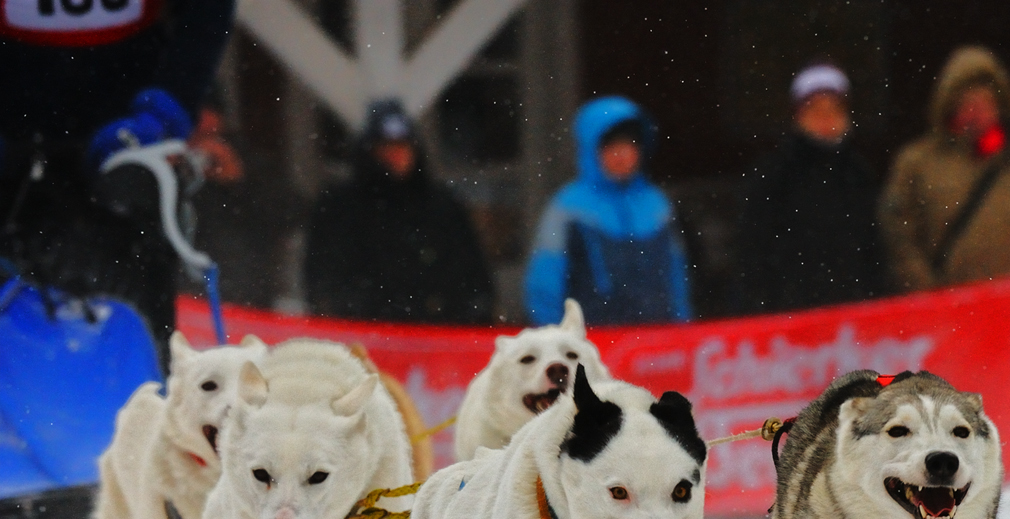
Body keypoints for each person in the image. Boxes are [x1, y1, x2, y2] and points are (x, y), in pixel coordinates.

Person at [0, 0, 236, 371]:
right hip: (16, 140)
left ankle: (146, 401)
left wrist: (163, 113)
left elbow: (205, 14)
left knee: (135, 339)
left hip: (126, 144)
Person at [878, 46, 1010, 294]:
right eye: (967, 104)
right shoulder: (917, 165)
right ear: (949, 107)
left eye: (985, 103)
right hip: (947, 313)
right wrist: (926, 293)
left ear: (1001, 106)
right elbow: (898, 237)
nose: (976, 113)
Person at [304, 100, 494, 325]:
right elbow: (323, 279)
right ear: (370, 152)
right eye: (386, 148)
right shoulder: (340, 207)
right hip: (364, 334)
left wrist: (466, 315)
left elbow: (471, 277)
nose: (397, 157)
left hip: (434, 335)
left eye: (403, 147)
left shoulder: (441, 206)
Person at [525, 96, 691, 327]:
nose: (622, 155)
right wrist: (556, 339)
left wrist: (682, 329)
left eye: (631, 145)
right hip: (593, 343)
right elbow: (545, 283)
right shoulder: (567, 208)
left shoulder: (657, 205)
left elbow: (676, 277)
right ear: (590, 149)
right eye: (611, 146)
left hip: (656, 344)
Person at [734, 64, 883, 313]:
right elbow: (753, 248)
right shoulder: (775, 172)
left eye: (833, 109)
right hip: (790, 310)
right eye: (815, 110)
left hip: (850, 308)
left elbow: (873, 246)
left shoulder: (859, 172)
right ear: (798, 116)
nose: (826, 119)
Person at [185, 105, 304, 309]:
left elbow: (290, 215)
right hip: (185, 296)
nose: (199, 122)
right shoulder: (167, 163)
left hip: (244, 296)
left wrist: (239, 181)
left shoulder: (250, 161)